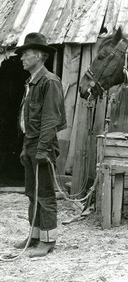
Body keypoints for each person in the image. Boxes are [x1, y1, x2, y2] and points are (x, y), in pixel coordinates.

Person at [14, 32, 66, 258]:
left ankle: (48, 241)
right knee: (31, 193)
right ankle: (35, 235)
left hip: (42, 145)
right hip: (30, 143)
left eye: (26, 54)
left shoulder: (49, 81)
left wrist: (43, 150)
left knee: (44, 194)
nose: (22, 58)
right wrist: (27, 147)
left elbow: (50, 120)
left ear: (40, 56)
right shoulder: (31, 82)